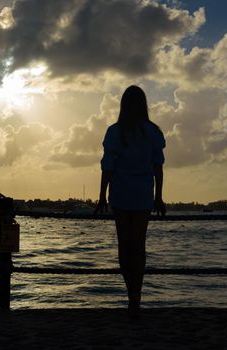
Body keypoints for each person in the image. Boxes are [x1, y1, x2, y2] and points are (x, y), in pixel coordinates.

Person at [94, 85, 166, 316]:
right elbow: (158, 167)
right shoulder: (153, 131)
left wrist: (101, 195)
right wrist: (159, 197)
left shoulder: (115, 132)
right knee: (139, 246)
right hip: (143, 194)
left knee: (125, 246)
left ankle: (130, 293)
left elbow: (108, 167)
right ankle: (137, 293)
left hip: (121, 194)